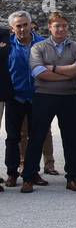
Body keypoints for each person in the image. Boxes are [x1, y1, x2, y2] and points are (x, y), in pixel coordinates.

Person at [22, 11, 76, 193]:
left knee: (72, 138)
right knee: (37, 137)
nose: (61, 29)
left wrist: (54, 69)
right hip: (44, 96)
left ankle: (72, 177)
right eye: (57, 25)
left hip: (70, 97)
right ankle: (29, 177)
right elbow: (38, 73)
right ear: (49, 27)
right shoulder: (39, 47)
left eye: (64, 25)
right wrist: (67, 74)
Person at [4, 11, 42, 188]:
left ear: (30, 24)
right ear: (12, 28)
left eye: (25, 24)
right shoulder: (6, 45)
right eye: (18, 26)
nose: (22, 29)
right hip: (15, 97)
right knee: (12, 138)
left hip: (37, 97)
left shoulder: (42, 43)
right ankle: (12, 173)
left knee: (36, 137)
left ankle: (31, 174)